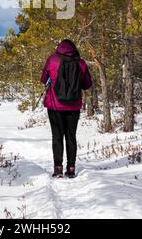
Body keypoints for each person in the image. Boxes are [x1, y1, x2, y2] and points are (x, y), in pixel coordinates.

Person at [41, 39, 93, 178]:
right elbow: (87, 84)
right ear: (74, 48)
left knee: (57, 137)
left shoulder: (52, 60)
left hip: (54, 105)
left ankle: (58, 169)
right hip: (73, 106)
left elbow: (43, 79)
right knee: (71, 137)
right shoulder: (81, 63)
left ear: (59, 47)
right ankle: (71, 169)